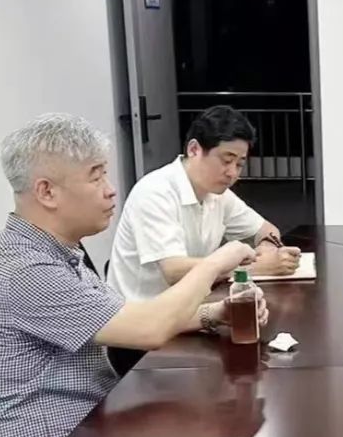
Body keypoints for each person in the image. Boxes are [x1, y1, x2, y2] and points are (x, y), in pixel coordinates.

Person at [0, 114, 266, 437]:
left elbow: (126, 320)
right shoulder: (24, 270)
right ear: (47, 192)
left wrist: (215, 313)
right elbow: (148, 329)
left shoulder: (60, 254)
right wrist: (216, 263)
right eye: (96, 176)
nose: (110, 190)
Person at [108, 105, 301, 302]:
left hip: (191, 303)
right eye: (226, 160)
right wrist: (256, 268)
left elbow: (266, 229)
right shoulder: (155, 192)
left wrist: (268, 249)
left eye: (239, 164)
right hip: (144, 312)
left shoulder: (217, 193)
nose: (233, 173)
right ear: (194, 150)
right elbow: (174, 271)